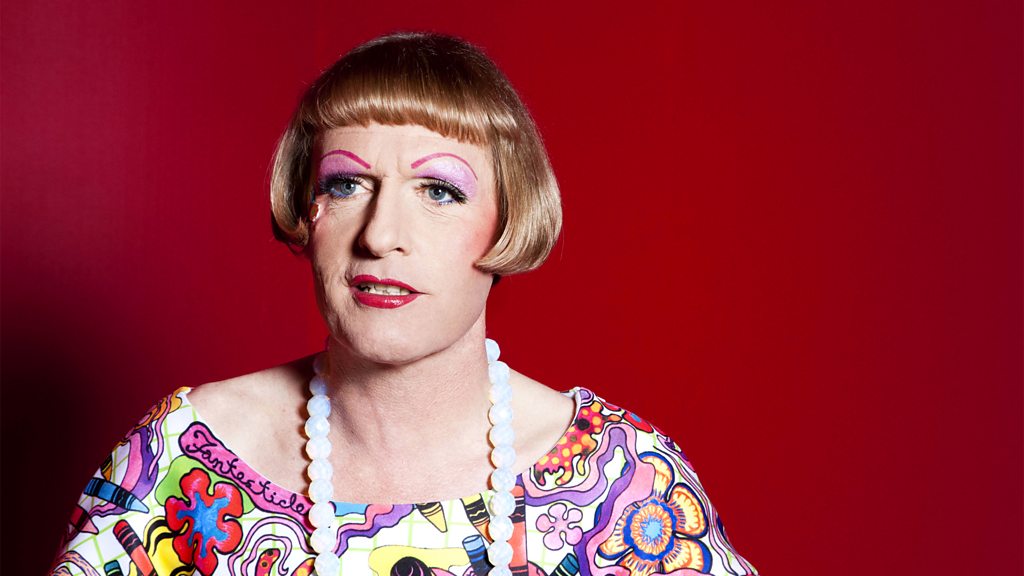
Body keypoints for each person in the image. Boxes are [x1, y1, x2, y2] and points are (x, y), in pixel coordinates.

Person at [51, 32, 757, 576]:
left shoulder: (622, 488)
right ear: (307, 212)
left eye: (439, 191)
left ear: (508, 221)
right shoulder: (181, 463)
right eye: (345, 185)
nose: (380, 234)